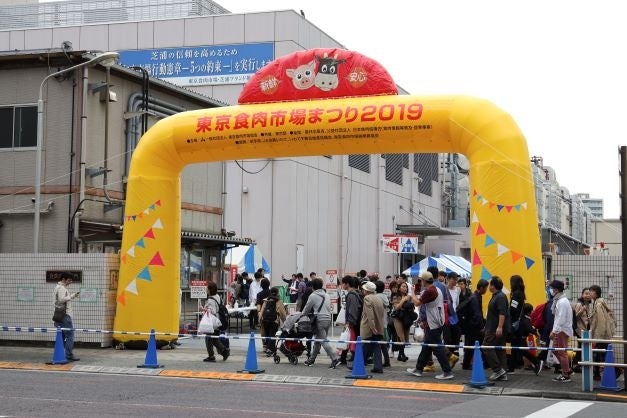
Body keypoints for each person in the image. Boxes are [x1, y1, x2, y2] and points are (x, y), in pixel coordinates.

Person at [406, 271, 454, 380]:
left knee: (438, 349)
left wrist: (411, 292)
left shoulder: (430, 291)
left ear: (423, 281)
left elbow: (417, 303)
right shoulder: (436, 289)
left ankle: (447, 371)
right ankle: (418, 369)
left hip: (433, 323)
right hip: (436, 321)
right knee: (426, 347)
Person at [302, 278, 341, 368]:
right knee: (318, 341)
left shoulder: (312, 296)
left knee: (323, 341)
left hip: (319, 320)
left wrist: (303, 314)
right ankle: (311, 360)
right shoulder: (327, 295)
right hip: (328, 319)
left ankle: (335, 359)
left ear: (313, 287)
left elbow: (306, 309)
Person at [482, 276, 510, 381]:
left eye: (490, 284)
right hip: (493, 327)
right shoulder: (497, 296)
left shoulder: (500, 297)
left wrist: (499, 327)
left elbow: (502, 313)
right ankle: (503, 373)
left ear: (493, 286)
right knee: (499, 349)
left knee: (486, 347)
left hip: (494, 329)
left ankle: (498, 370)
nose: (489, 286)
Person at [587, 284, 617, 381]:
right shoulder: (598, 302)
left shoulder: (598, 304)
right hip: (603, 334)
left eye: (591, 291)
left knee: (598, 354)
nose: (589, 293)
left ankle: (600, 373)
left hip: (601, 335)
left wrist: (598, 336)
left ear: (595, 293)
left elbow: (601, 321)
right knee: (602, 354)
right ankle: (598, 374)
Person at [548, 279, 573, 382]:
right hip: (561, 329)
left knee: (561, 352)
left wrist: (554, 331)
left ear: (557, 290)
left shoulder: (562, 302)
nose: (551, 290)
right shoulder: (560, 300)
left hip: (561, 330)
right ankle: (566, 370)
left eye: (552, 288)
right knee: (556, 350)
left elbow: (561, 319)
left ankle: (566, 374)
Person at [53, 272, 80, 361]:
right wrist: (71, 296)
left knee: (62, 336)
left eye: (71, 280)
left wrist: (73, 296)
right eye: (69, 280)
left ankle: (62, 354)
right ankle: (68, 355)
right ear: (63, 279)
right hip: (65, 315)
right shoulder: (62, 288)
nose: (70, 282)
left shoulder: (57, 287)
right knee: (70, 335)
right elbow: (61, 300)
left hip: (58, 315)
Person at [461, 279, 488, 370]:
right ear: (481, 288)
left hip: (472, 325)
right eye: (486, 288)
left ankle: (468, 364)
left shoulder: (475, 296)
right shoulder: (475, 298)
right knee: (472, 345)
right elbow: (477, 314)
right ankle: (466, 364)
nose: (486, 290)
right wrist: (482, 327)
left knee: (473, 345)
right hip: (473, 326)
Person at [359, 281, 385, 373]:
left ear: (367, 290)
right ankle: (378, 366)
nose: (363, 290)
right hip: (379, 326)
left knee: (365, 345)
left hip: (369, 327)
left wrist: (372, 326)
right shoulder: (378, 298)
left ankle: (358, 365)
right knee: (376, 346)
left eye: (364, 289)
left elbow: (370, 314)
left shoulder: (367, 298)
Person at [202, 281, 230, 362]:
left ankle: (211, 356)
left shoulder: (210, 300)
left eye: (207, 288)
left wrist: (203, 309)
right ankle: (224, 351)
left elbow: (212, 311)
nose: (206, 290)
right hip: (218, 321)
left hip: (212, 322)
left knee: (208, 338)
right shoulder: (218, 296)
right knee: (214, 339)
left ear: (210, 290)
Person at [258, 286, 287, 355]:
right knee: (272, 335)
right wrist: (285, 322)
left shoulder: (266, 300)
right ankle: (271, 349)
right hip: (274, 321)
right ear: (277, 293)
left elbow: (262, 311)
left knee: (267, 335)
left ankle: (268, 348)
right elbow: (282, 313)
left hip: (265, 320)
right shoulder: (279, 301)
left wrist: (260, 320)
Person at [507, 274, 526, 372]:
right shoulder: (521, 293)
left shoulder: (516, 294)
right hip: (519, 322)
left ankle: (511, 366)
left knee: (515, 344)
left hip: (515, 322)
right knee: (516, 345)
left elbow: (513, 308)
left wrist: (508, 310)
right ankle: (513, 365)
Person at [391, 281, 412, 362]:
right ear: (399, 288)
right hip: (397, 318)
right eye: (403, 286)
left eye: (406, 287)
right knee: (401, 336)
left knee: (405, 337)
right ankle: (402, 354)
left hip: (406, 318)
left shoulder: (408, 297)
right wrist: (403, 300)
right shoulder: (395, 296)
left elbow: (412, 306)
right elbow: (396, 307)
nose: (405, 288)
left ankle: (401, 354)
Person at [571, 287, 591, 372]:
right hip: (580, 329)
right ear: (582, 295)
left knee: (581, 346)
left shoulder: (588, 304)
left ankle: (577, 364)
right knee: (581, 346)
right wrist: (582, 311)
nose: (587, 295)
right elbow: (574, 317)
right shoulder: (579, 304)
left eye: (589, 294)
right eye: (586, 293)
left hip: (585, 329)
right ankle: (576, 364)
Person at [374, 280, 391, 367]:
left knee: (377, 343)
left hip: (377, 323)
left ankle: (377, 362)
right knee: (383, 343)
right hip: (384, 322)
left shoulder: (375, 297)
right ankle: (387, 361)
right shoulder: (385, 297)